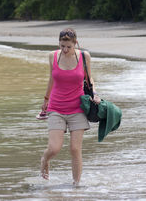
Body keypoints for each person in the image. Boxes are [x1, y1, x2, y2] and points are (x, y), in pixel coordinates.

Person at [36, 28, 101, 186]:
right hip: (56, 107)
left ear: (75, 44)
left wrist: (95, 94)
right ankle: (45, 159)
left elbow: (89, 78)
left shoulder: (84, 57)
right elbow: (51, 78)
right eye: (62, 46)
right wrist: (46, 100)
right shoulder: (53, 56)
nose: (64, 50)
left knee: (74, 149)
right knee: (54, 148)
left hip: (77, 108)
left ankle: (76, 186)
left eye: (68, 47)